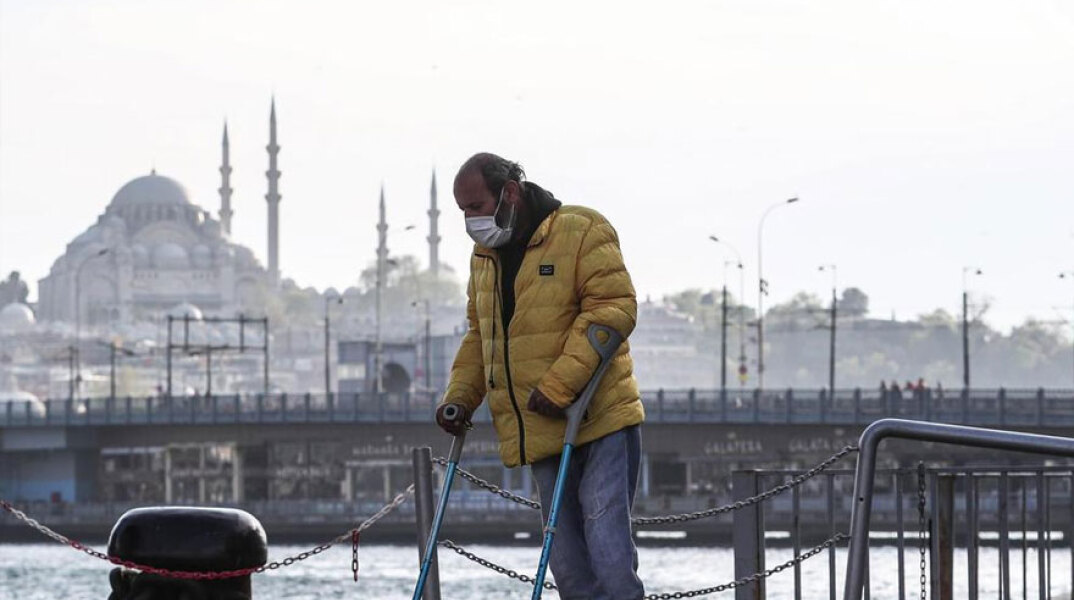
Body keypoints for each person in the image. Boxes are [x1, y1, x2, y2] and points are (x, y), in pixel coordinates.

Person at [436, 152, 646, 599]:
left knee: (609, 557)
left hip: (598, 418)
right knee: (569, 569)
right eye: (462, 211)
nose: (469, 221)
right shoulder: (484, 256)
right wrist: (459, 397)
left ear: (509, 193)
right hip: (538, 427)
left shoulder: (582, 229)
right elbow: (482, 336)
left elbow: (613, 310)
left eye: (475, 207)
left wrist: (559, 386)